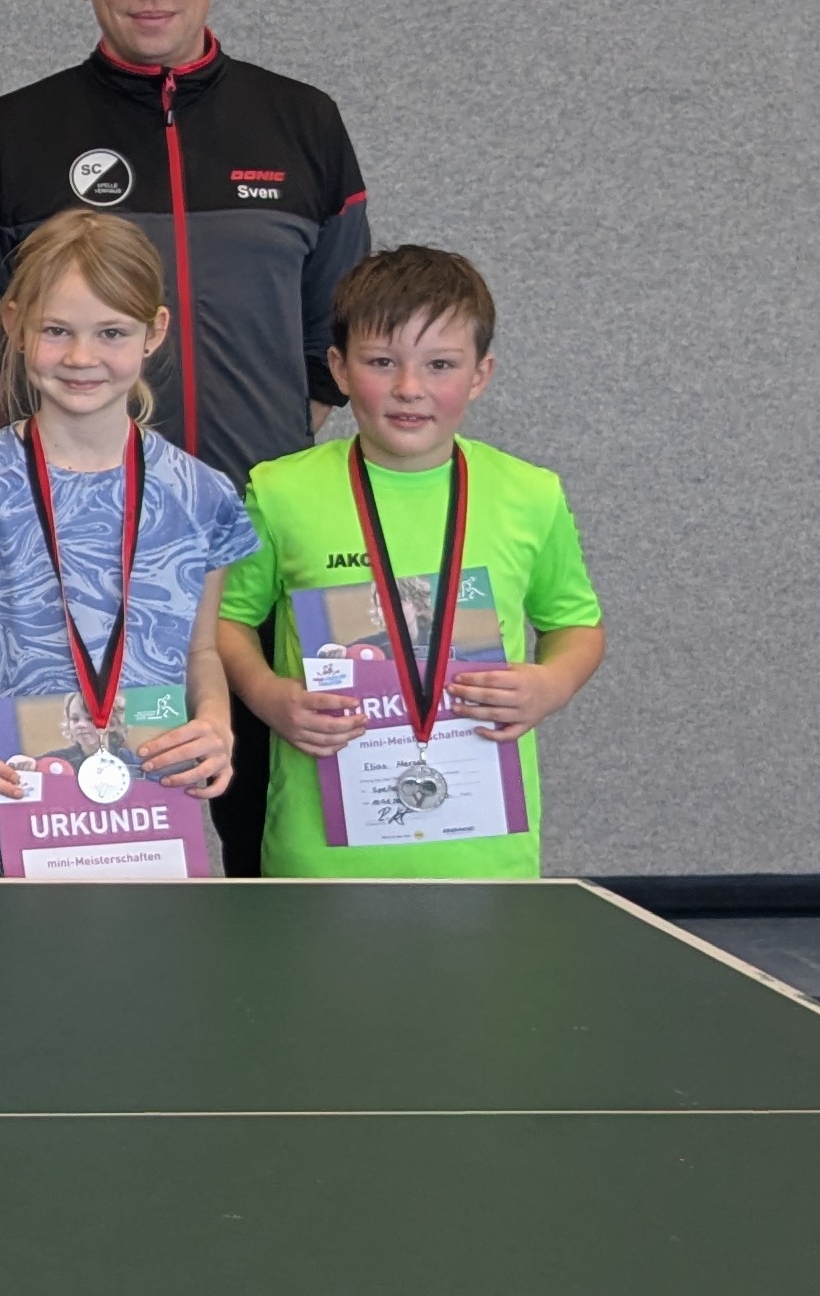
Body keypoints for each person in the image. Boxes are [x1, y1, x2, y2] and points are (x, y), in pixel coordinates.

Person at [0, 0, 366, 874]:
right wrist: (57, 484)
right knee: (85, 853)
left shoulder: (302, 122)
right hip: (69, 579)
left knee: (258, 839)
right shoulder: (11, 132)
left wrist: (246, 478)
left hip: (254, 550)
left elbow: (333, 342)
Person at [213, 245, 605, 881]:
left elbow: (576, 625)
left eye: (440, 364)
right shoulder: (280, 491)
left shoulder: (531, 494)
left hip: (485, 857)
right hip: (320, 858)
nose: (409, 388)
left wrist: (550, 685)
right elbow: (226, 619)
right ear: (339, 369)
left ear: (480, 374)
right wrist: (266, 695)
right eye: (381, 362)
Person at [0, 209, 253, 875]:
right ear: (17, 326)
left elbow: (200, 649)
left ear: (154, 332)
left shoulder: (202, 495)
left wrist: (217, 724)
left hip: (149, 820)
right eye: (57, 331)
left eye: (112, 332)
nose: (82, 357)